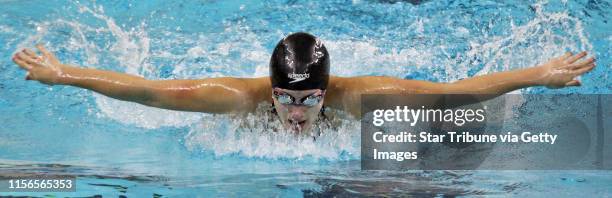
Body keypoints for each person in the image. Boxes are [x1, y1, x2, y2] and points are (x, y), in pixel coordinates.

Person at [12, 32, 596, 133]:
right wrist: (63, 75)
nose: (295, 113)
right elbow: (145, 90)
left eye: (308, 98)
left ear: (327, 88)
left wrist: (538, 75)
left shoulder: (362, 96)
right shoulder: (234, 99)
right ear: (269, 90)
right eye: (285, 98)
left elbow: (457, 90)